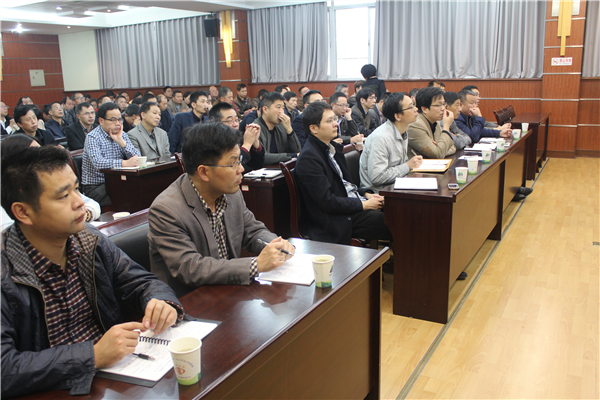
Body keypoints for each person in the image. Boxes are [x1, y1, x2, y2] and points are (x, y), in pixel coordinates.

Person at [0, 145, 184, 398]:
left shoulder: (89, 239)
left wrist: (161, 301)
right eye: (63, 196)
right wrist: (93, 355)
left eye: (77, 189)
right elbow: (5, 368)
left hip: (113, 379)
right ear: (23, 212)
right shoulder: (5, 271)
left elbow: (141, 282)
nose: (79, 203)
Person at [148, 123, 295, 297]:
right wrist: (256, 265)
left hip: (228, 291)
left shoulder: (231, 192)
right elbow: (191, 268)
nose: (241, 169)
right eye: (233, 163)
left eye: (239, 161)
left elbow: (251, 230)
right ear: (204, 172)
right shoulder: (166, 210)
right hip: (190, 300)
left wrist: (276, 245)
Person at [294, 102, 392, 245]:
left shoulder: (332, 148)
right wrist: (363, 205)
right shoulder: (309, 158)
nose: (335, 124)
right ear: (313, 128)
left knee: (401, 210)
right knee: (398, 222)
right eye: (329, 121)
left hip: (352, 205)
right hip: (338, 219)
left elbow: (345, 185)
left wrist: (366, 194)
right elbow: (327, 202)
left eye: (334, 119)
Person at [0, 133, 101, 224]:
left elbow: (93, 204)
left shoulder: (53, 180)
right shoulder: (9, 191)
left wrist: (85, 215)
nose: (43, 158)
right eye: (35, 155)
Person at [359, 92, 423, 192]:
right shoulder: (380, 138)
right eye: (411, 107)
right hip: (379, 193)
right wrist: (407, 166)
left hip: (397, 186)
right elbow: (377, 177)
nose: (416, 109)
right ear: (398, 116)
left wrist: (412, 164)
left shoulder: (402, 131)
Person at [81, 103, 140, 206]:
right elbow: (98, 163)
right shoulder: (93, 137)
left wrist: (122, 143)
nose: (117, 123)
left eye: (119, 119)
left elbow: (138, 158)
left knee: (141, 189)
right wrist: (124, 163)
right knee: (128, 196)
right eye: (113, 120)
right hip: (96, 187)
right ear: (101, 121)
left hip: (117, 182)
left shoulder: (122, 134)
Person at [208, 102, 264, 173]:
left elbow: (257, 165)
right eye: (230, 121)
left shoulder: (239, 137)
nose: (235, 124)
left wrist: (255, 142)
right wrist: (247, 145)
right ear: (215, 123)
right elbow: (233, 167)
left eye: (237, 120)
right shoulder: (212, 142)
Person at [407, 86, 456, 158]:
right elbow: (438, 154)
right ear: (424, 109)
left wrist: (440, 149)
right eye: (438, 105)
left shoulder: (436, 122)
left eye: (443, 104)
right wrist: (446, 127)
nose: (443, 108)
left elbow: (452, 147)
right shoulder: (415, 125)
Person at [254, 91, 301, 164]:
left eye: (283, 108)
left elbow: (297, 151)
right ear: (265, 109)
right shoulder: (255, 128)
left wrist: (289, 130)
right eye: (278, 107)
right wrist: (292, 156)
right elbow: (263, 157)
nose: (282, 112)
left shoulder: (281, 126)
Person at [168, 90, 210, 154]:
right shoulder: (181, 118)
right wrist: (172, 156)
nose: (206, 105)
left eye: (207, 102)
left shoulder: (208, 120)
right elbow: (173, 140)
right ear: (193, 105)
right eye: (203, 102)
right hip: (185, 155)